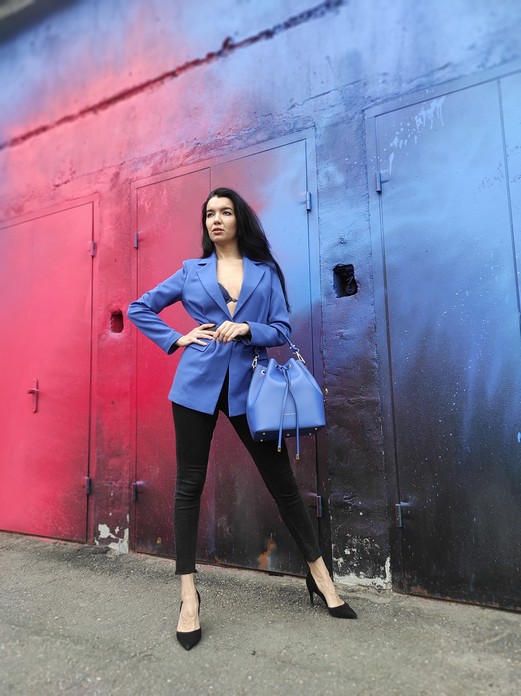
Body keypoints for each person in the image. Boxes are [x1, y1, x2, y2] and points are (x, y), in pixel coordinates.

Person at [127, 187, 357, 650]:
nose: (215, 219)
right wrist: (177, 339)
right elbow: (139, 307)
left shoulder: (264, 273)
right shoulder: (190, 271)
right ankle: (188, 596)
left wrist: (249, 328)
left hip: (251, 391)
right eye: (209, 213)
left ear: (239, 220)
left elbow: (281, 330)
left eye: (225, 212)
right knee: (188, 487)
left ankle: (320, 576)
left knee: (283, 484)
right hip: (194, 388)